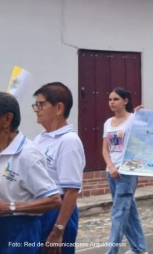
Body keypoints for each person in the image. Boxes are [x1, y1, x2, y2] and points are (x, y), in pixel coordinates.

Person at [0, 92, 62, 252]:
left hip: (19, 231)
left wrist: (9, 207)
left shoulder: (28, 154)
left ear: (7, 119)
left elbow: (53, 200)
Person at [32, 82, 86, 253]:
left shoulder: (68, 141)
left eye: (41, 104)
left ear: (59, 108)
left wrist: (58, 230)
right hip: (39, 209)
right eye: (36, 105)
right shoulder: (40, 139)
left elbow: (71, 191)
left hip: (57, 212)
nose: (36, 109)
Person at [102, 87, 148, 254]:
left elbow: (147, 136)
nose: (112, 102)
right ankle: (139, 248)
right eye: (110, 99)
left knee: (119, 214)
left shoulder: (133, 120)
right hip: (111, 172)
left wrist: (139, 116)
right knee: (128, 211)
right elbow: (105, 149)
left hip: (127, 172)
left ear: (125, 101)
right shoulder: (107, 123)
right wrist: (111, 167)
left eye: (116, 99)